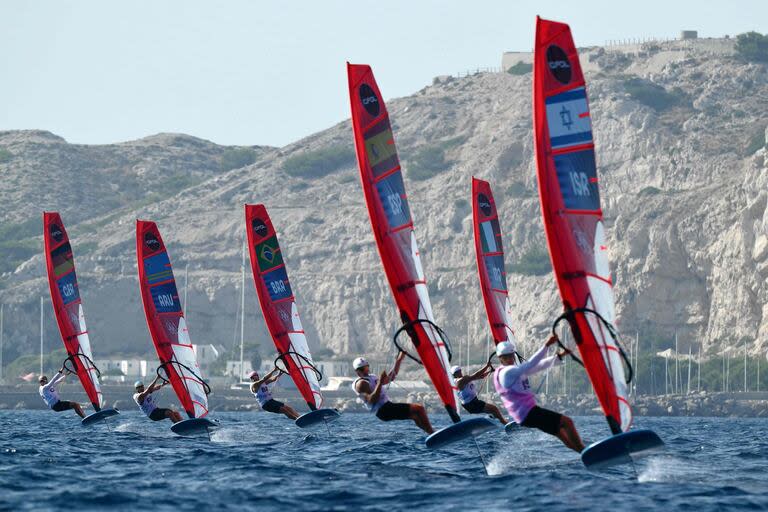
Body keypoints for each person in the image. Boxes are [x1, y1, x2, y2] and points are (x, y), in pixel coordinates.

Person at [493, 335, 585, 453]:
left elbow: (539, 366)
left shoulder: (515, 371)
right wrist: (546, 345)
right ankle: (584, 450)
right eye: (506, 357)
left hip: (526, 415)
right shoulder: (507, 373)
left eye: (511, 356)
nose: (510, 359)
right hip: (528, 413)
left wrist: (560, 356)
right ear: (500, 359)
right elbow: (531, 363)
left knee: (559, 432)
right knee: (567, 422)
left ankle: (583, 453)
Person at [352, 351, 434, 434]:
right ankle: (432, 432)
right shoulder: (361, 383)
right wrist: (380, 382)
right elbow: (372, 400)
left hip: (387, 406)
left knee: (415, 415)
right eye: (361, 369)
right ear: (357, 371)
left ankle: (430, 434)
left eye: (366, 367)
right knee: (419, 408)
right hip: (383, 410)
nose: (365, 370)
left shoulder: (371, 377)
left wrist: (398, 361)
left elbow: (391, 377)